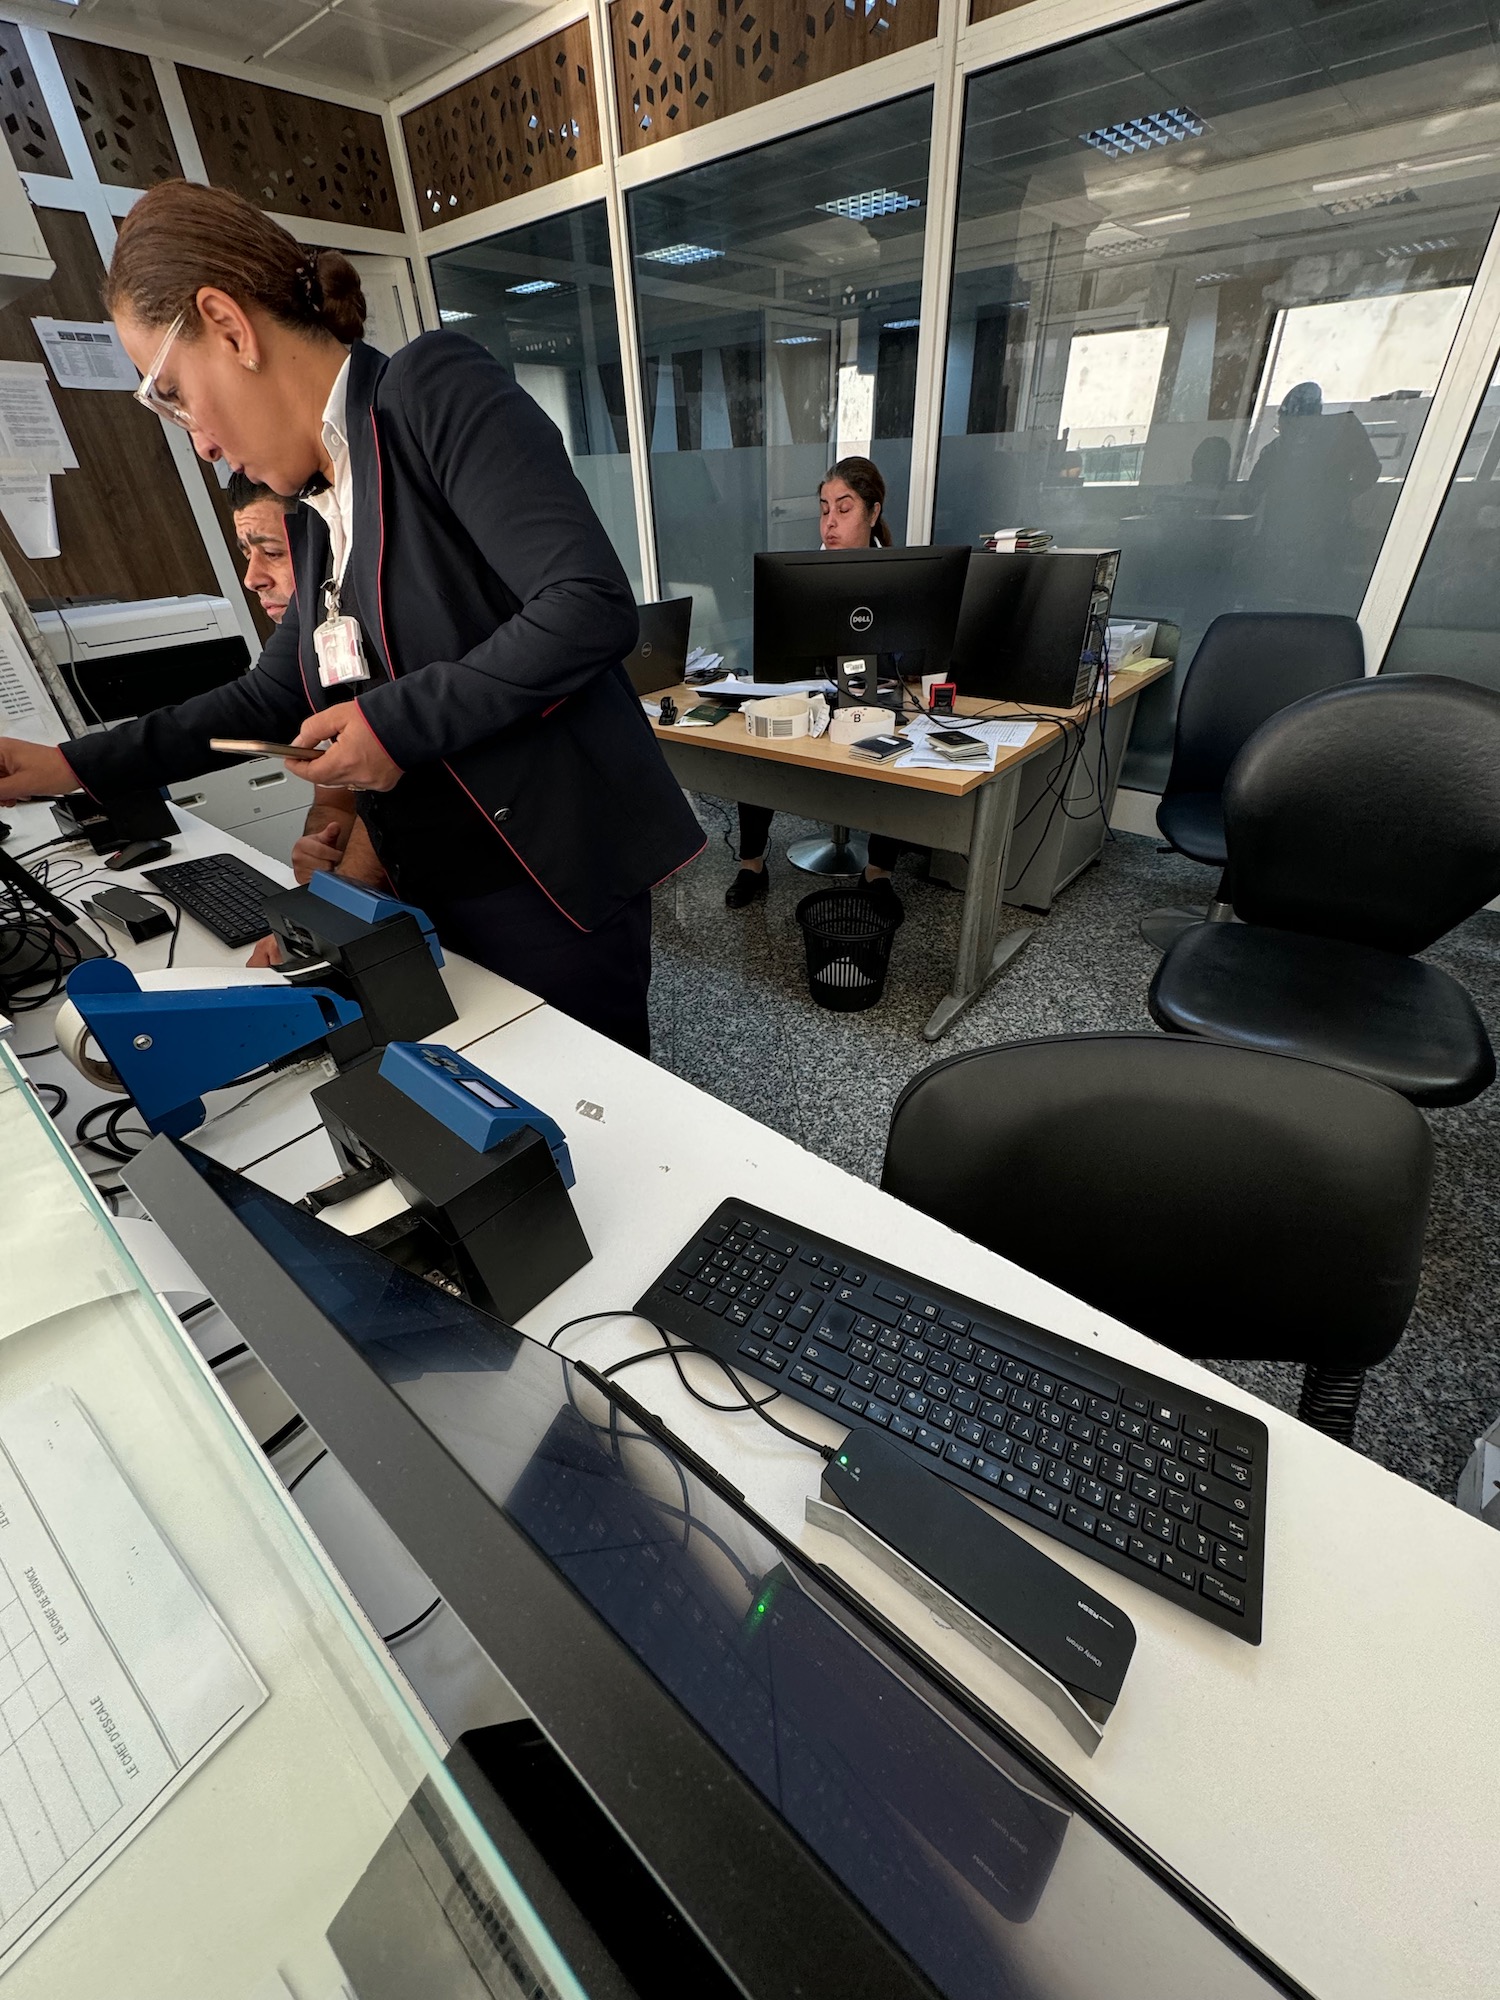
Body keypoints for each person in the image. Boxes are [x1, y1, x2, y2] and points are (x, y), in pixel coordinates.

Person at [0, 181, 704, 1056]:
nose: (201, 441)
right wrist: (68, 764)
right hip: (426, 878)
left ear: (228, 324)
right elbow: (269, 695)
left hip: (541, 877)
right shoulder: (313, 504)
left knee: (598, 1113)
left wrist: (390, 723)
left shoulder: (430, 391)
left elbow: (587, 607)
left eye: (173, 394)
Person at [726, 456, 904, 917]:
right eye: (824, 509)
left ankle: (878, 872)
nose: (830, 522)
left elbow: (909, 657)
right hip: (805, 696)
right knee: (756, 742)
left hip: (868, 700)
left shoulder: (896, 574)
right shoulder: (798, 575)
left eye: (844, 509)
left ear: (873, 512)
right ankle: (752, 865)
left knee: (896, 744)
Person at [227, 469, 368, 887]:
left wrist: (338, 893)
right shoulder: (322, 649)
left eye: (272, 552)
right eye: (246, 554)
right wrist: (318, 846)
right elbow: (337, 804)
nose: (252, 579)